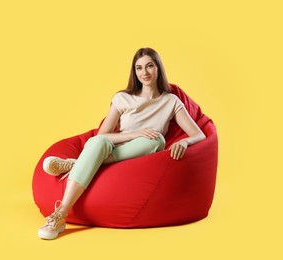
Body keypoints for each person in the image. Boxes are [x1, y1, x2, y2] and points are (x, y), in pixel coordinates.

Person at [37, 47, 206, 240]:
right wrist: (134, 133)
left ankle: (75, 164)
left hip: (144, 149)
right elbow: (102, 135)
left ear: (158, 68)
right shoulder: (122, 98)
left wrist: (185, 143)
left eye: (150, 66)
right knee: (99, 142)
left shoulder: (170, 101)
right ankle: (61, 214)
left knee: (157, 139)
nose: (145, 72)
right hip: (117, 145)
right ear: (134, 72)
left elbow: (198, 134)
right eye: (139, 68)